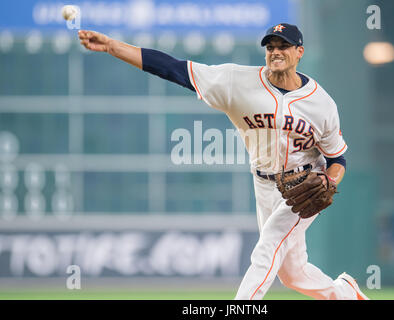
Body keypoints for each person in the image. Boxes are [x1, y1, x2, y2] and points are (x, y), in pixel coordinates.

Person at [78, 23, 369, 300]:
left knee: (267, 248)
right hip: (264, 185)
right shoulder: (235, 81)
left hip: (305, 186)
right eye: (270, 46)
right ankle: (345, 292)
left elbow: (337, 158)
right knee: (292, 275)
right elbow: (173, 68)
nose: (276, 51)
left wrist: (329, 181)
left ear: (299, 52)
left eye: (284, 45)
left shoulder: (321, 103)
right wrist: (113, 46)